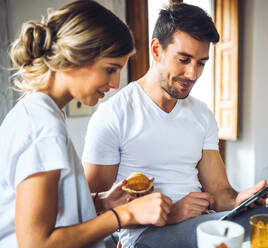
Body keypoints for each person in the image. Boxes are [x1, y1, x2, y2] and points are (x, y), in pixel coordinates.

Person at [82, 3, 268, 248]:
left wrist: (240, 199)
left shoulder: (201, 115)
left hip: (201, 222)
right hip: (145, 234)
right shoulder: (114, 114)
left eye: (201, 63)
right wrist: (170, 212)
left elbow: (219, 193)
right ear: (156, 50)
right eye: (184, 59)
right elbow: (89, 208)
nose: (193, 74)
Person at [0, 1, 172, 247]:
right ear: (74, 57)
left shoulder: (40, 113)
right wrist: (126, 215)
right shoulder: (43, 128)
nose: (115, 84)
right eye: (110, 69)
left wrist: (101, 202)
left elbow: (51, 210)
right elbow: (36, 243)